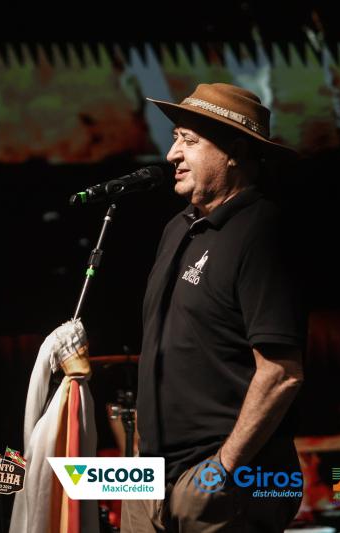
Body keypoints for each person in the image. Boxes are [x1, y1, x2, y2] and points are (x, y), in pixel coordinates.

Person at [121, 83, 306, 532]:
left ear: (235, 153)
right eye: (174, 139)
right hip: (149, 479)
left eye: (188, 141)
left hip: (220, 479)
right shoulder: (176, 229)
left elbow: (282, 372)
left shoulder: (261, 230)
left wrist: (222, 468)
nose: (172, 155)